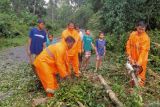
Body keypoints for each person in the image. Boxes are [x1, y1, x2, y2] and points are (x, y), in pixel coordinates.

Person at [126, 20, 150, 87]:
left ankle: (139, 91)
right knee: (132, 74)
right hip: (132, 59)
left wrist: (139, 63)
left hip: (141, 62)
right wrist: (129, 55)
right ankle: (132, 88)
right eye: (140, 29)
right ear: (136, 27)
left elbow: (144, 52)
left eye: (143, 29)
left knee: (140, 76)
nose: (141, 31)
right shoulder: (133, 34)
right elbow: (128, 45)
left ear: (145, 28)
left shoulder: (146, 38)